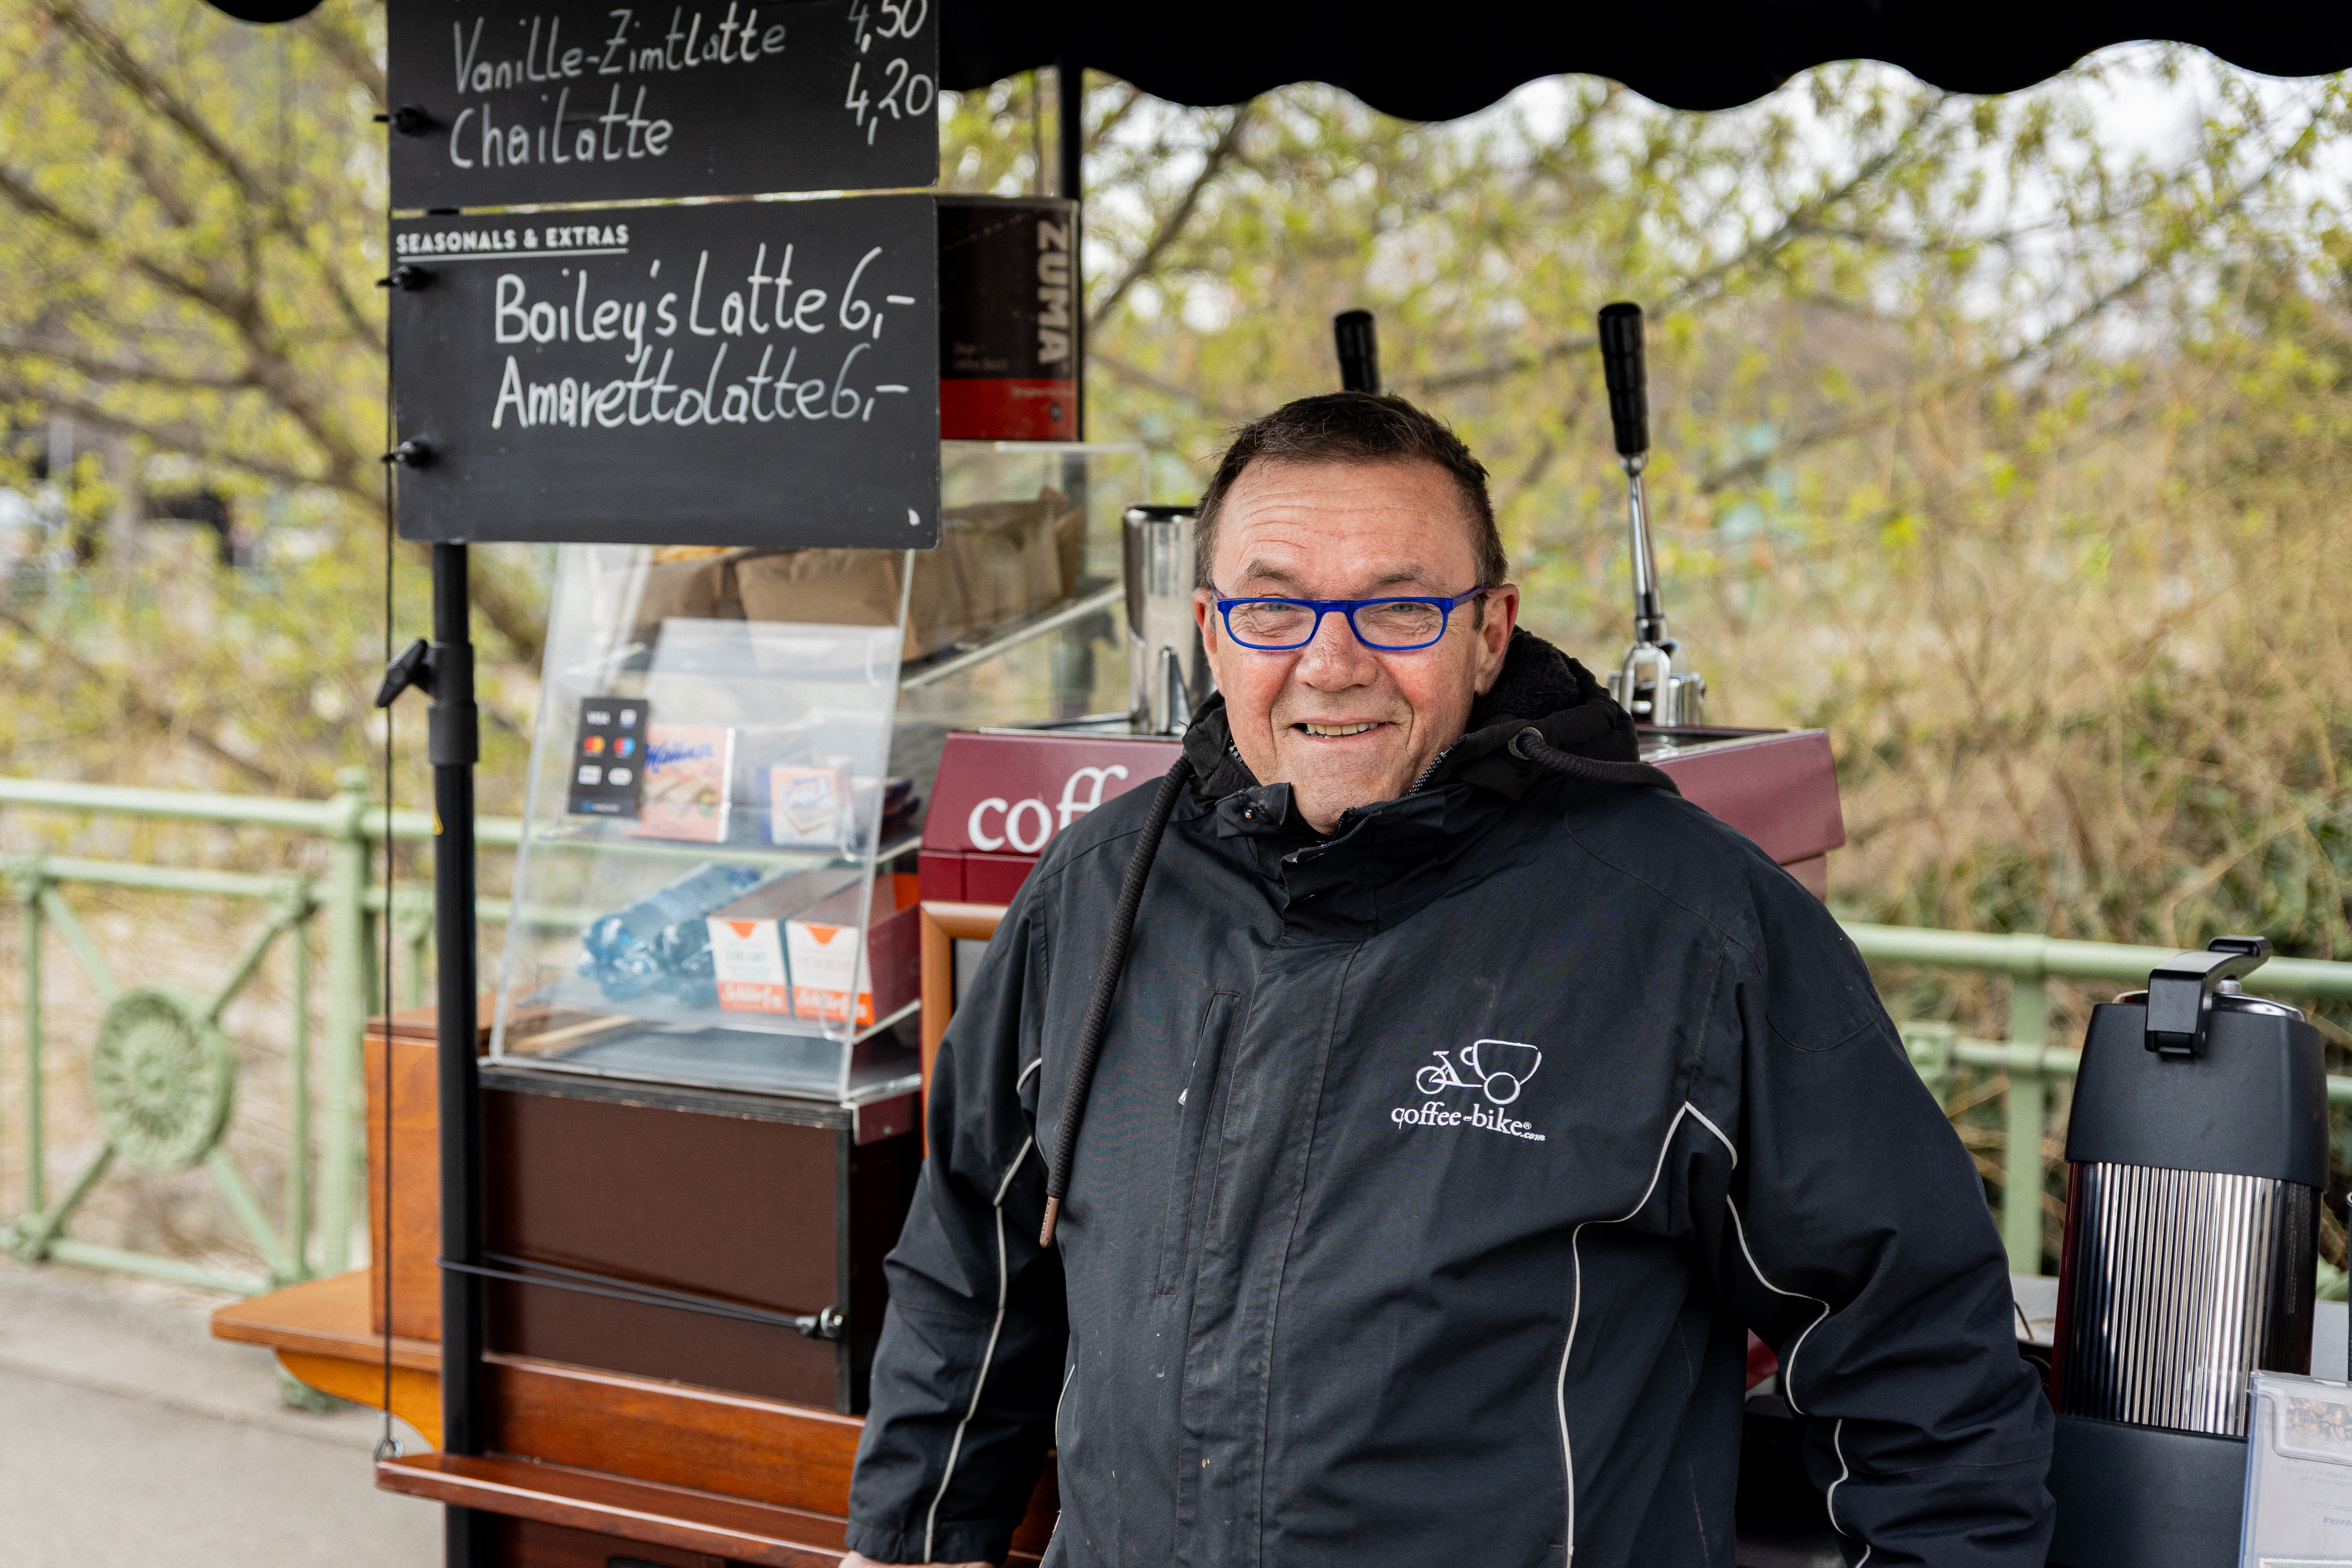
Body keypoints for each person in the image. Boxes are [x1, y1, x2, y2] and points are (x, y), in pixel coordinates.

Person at [842, 393, 2052, 1567]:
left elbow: (1917, 1344)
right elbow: (972, 1265)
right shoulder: (1098, 892)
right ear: (1211, 631)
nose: (1331, 663)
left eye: (1400, 609)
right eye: (1274, 612)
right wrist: (908, 1545)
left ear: (1491, 630)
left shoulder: (1687, 926)